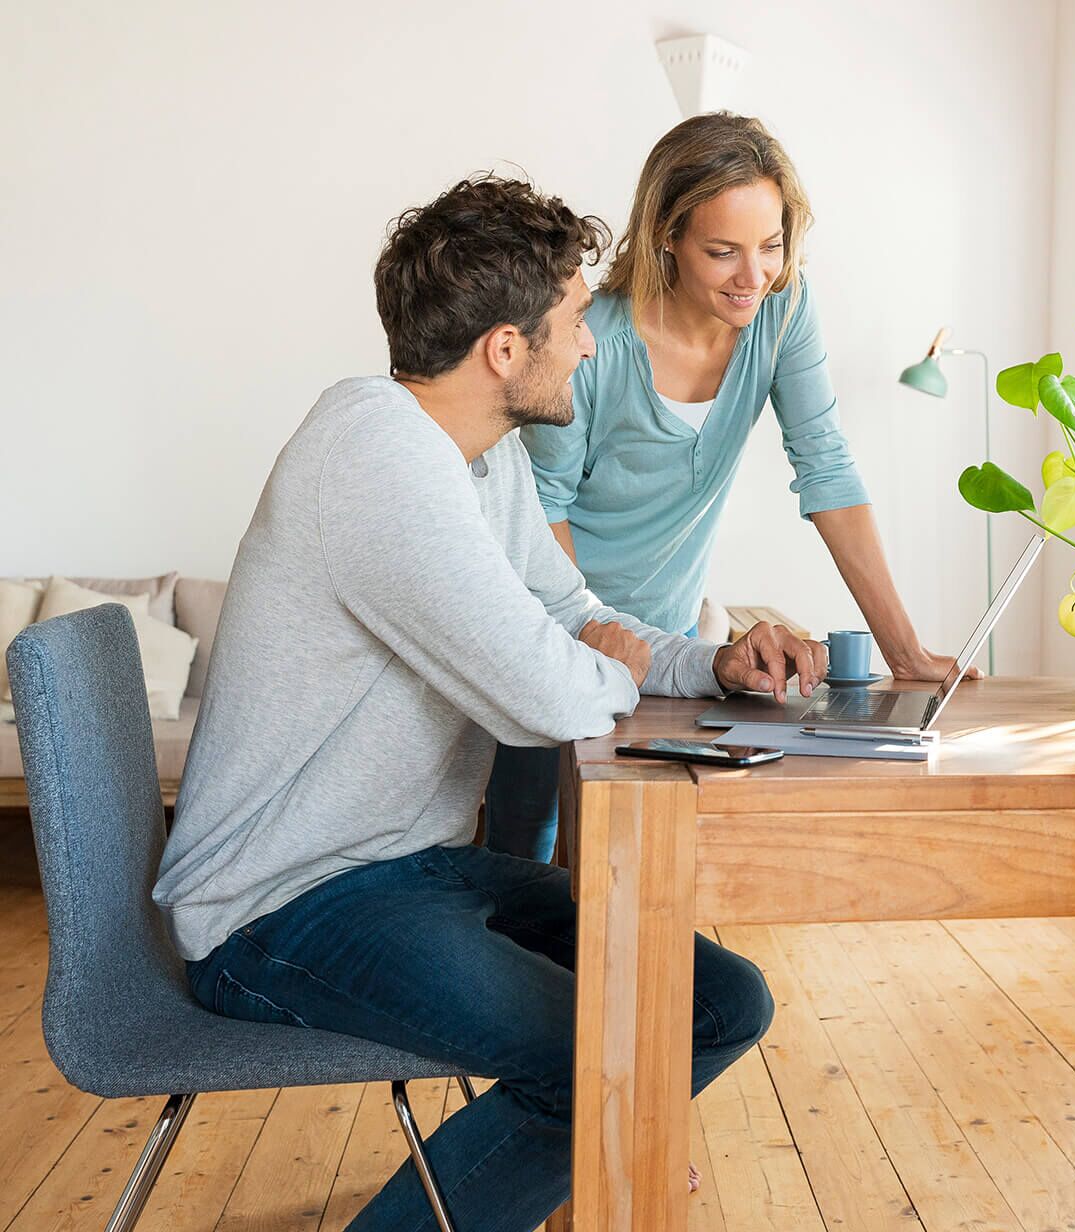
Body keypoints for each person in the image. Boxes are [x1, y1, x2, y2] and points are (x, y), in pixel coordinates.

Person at [153, 176, 825, 1232]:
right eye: (570, 324)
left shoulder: (481, 455)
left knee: (717, 1002)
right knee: (612, 1056)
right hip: (279, 906)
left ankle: (593, 1149)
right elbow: (542, 694)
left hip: (405, 869)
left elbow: (573, 616)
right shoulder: (373, 453)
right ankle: (593, 1146)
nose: (591, 347)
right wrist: (592, 659)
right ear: (504, 350)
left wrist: (712, 664)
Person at [486, 112, 970, 863]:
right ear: (667, 237)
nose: (755, 277)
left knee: (634, 860)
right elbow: (542, 508)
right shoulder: (591, 343)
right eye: (723, 252)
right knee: (525, 851)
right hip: (553, 627)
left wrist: (905, 653)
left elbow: (827, 467)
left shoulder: (783, 311)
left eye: (771, 246)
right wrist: (592, 642)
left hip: (674, 644)